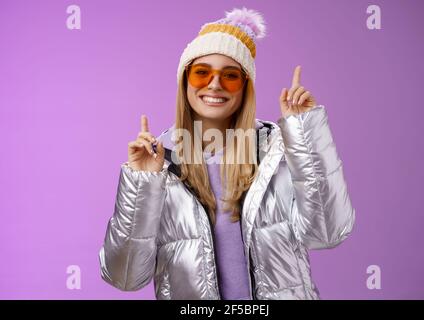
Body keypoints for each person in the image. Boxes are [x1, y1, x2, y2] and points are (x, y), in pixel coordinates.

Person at [99, 7, 355, 300]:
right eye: (201, 73)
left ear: (245, 87)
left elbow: (327, 233)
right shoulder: (158, 164)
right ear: (185, 82)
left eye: (230, 75)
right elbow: (125, 277)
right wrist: (143, 184)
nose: (215, 84)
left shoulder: (278, 150)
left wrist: (305, 132)